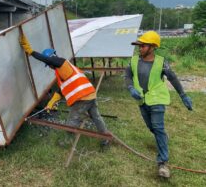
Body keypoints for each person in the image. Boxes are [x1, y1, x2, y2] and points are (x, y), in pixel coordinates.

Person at [19, 34, 111, 147]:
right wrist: (51, 103)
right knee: (96, 117)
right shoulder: (62, 70)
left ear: (51, 59)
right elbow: (61, 91)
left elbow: (48, 59)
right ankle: (105, 137)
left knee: (72, 121)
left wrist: (31, 52)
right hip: (90, 94)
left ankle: (67, 142)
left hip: (82, 98)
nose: (49, 67)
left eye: (48, 64)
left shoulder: (62, 63)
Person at [125, 30, 193, 178]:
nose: (140, 48)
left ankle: (163, 163)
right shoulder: (133, 61)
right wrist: (130, 88)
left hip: (157, 100)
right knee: (152, 128)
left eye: (143, 46)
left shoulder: (162, 63)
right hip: (141, 100)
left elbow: (173, 79)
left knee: (157, 127)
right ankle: (162, 137)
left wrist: (183, 96)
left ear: (152, 47)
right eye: (139, 45)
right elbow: (128, 76)